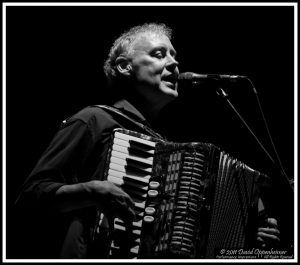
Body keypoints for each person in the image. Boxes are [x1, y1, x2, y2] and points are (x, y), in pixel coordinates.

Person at [15, 23, 280, 259]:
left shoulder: (162, 147)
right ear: (124, 66)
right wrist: (91, 191)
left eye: (175, 56)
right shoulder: (93, 119)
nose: (174, 64)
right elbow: (30, 196)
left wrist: (246, 239)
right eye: (158, 54)